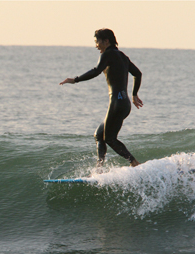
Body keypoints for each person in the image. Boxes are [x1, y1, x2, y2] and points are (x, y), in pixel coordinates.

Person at [59, 28, 143, 168]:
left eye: (97, 41)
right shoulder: (122, 56)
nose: (96, 45)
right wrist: (134, 94)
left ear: (106, 41)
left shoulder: (108, 54)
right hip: (125, 104)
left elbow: (96, 71)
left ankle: (133, 162)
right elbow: (138, 74)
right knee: (99, 134)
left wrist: (75, 80)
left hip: (116, 103)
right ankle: (100, 167)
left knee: (109, 138)